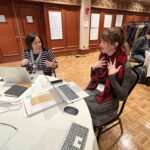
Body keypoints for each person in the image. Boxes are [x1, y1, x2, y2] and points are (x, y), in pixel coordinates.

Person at [84, 27, 128, 124]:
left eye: (104, 43)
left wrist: (112, 77)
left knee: (82, 102)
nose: (100, 45)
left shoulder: (123, 64)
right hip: (100, 90)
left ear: (114, 45)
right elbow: (94, 79)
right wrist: (93, 68)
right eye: (101, 42)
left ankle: (89, 127)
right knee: (80, 98)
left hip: (110, 100)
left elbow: (122, 97)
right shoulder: (104, 56)